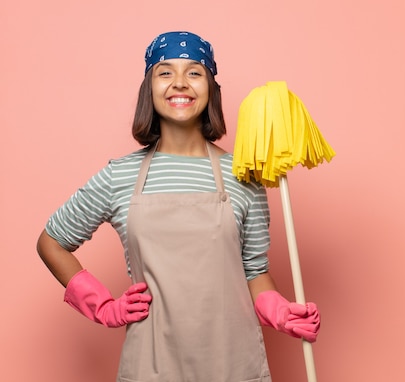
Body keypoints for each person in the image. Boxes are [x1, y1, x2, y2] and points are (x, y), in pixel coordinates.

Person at [36, 31, 320, 382]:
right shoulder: (119, 177)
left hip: (234, 365)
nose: (180, 83)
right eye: (165, 72)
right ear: (149, 88)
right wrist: (102, 306)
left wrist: (279, 310)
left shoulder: (244, 176)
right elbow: (51, 242)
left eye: (195, 72)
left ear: (212, 89)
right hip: (151, 367)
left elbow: (255, 273)